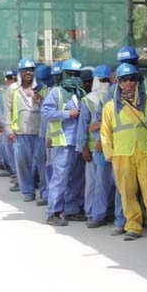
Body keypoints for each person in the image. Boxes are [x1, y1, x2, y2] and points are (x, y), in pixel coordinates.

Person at [100, 63, 147, 241]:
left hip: (145, 152)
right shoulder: (110, 107)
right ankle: (133, 226)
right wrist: (110, 155)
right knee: (127, 193)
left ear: (138, 81)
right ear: (119, 82)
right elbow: (105, 133)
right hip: (121, 155)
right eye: (125, 80)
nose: (129, 83)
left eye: (133, 79)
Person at [41, 59, 87, 226]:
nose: (73, 78)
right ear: (64, 75)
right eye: (71, 74)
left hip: (78, 142)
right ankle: (53, 212)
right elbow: (46, 113)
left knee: (77, 178)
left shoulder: (80, 92)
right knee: (59, 178)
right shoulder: (56, 92)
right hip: (63, 142)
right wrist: (68, 114)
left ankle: (71, 210)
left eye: (77, 75)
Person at [77, 65, 114, 228]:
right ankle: (92, 212)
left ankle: (107, 212)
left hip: (112, 147)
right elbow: (84, 126)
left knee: (110, 183)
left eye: (107, 80)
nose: (104, 83)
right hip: (94, 149)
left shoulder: (114, 97)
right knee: (94, 184)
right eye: (102, 80)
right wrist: (83, 147)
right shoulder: (88, 100)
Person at [9, 60, 43, 202]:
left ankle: (45, 193)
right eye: (25, 70)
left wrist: (40, 100)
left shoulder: (41, 87)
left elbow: (48, 108)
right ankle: (28, 191)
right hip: (21, 132)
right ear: (20, 72)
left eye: (31, 70)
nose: (28, 72)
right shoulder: (13, 89)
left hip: (38, 130)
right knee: (23, 163)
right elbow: (7, 110)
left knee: (41, 163)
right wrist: (8, 130)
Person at [32, 64, 54, 205]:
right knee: (43, 163)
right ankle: (46, 193)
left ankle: (51, 196)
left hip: (52, 135)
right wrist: (39, 102)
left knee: (52, 166)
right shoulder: (43, 88)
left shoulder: (57, 90)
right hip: (43, 131)